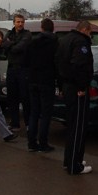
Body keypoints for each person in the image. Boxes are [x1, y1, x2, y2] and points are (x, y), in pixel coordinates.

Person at [56, 20, 95, 175]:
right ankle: (75, 165)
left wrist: (61, 85)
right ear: (85, 30)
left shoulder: (65, 40)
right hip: (76, 89)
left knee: (73, 125)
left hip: (67, 86)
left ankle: (71, 159)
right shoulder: (80, 42)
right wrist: (81, 86)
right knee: (78, 126)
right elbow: (80, 66)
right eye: (90, 32)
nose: (90, 35)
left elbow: (58, 63)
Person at [27, 18, 58, 152]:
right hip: (47, 81)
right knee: (46, 114)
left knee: (34, 113)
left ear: (41, 28)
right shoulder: (55, 42)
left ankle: (31, 143)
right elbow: (57, 62)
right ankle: (43, 143)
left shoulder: (33, 42)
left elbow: (26, 60)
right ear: (53, 28)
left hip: (33, 80)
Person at [2, 13, 32, 130]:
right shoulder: (9, 33)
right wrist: (13, 45)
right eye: (18, 22)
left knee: (25, 98)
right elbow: (4, 44)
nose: (20, 24)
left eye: (22, 22)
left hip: (23, 69)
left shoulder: (27, 34)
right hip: (11, 69)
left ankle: (28, 123)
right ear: (14, 23)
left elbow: (20, 47)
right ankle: (15, 123)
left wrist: (11, 45)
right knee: (12, 97)